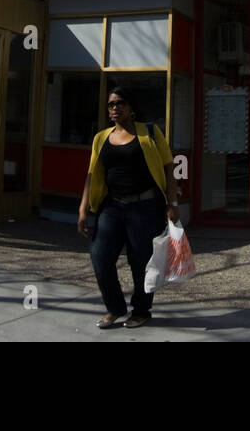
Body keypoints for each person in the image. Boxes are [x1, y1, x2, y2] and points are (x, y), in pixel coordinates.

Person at [78, 87, 181, 329]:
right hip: (111, 207)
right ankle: (114, 308)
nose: (115, 108)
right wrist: (83, 209)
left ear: (131, 107)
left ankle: (142, 310)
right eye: (111, 104)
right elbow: (92, 174)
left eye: (120, 103)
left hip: (145, 207)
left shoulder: (151, 133)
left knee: (141, 262)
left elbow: (169, 167)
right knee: (100, 256)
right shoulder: (101, 138)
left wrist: (172, 203)